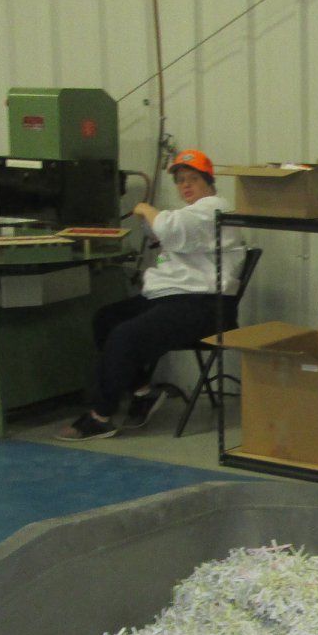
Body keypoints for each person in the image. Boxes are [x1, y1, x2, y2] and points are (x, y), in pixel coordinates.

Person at [58, 149, 245, 440]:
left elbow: (168, 228)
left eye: (192, 179)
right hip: (172, 296)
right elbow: (168, 233)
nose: (185, 185)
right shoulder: (193, 213)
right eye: (180, 180)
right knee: (106, 319)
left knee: (125, 335)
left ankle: (100, 416)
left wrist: (145, 209)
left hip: (205, 305)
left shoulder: (214, 207)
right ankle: (143, 392)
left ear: (209, 182)